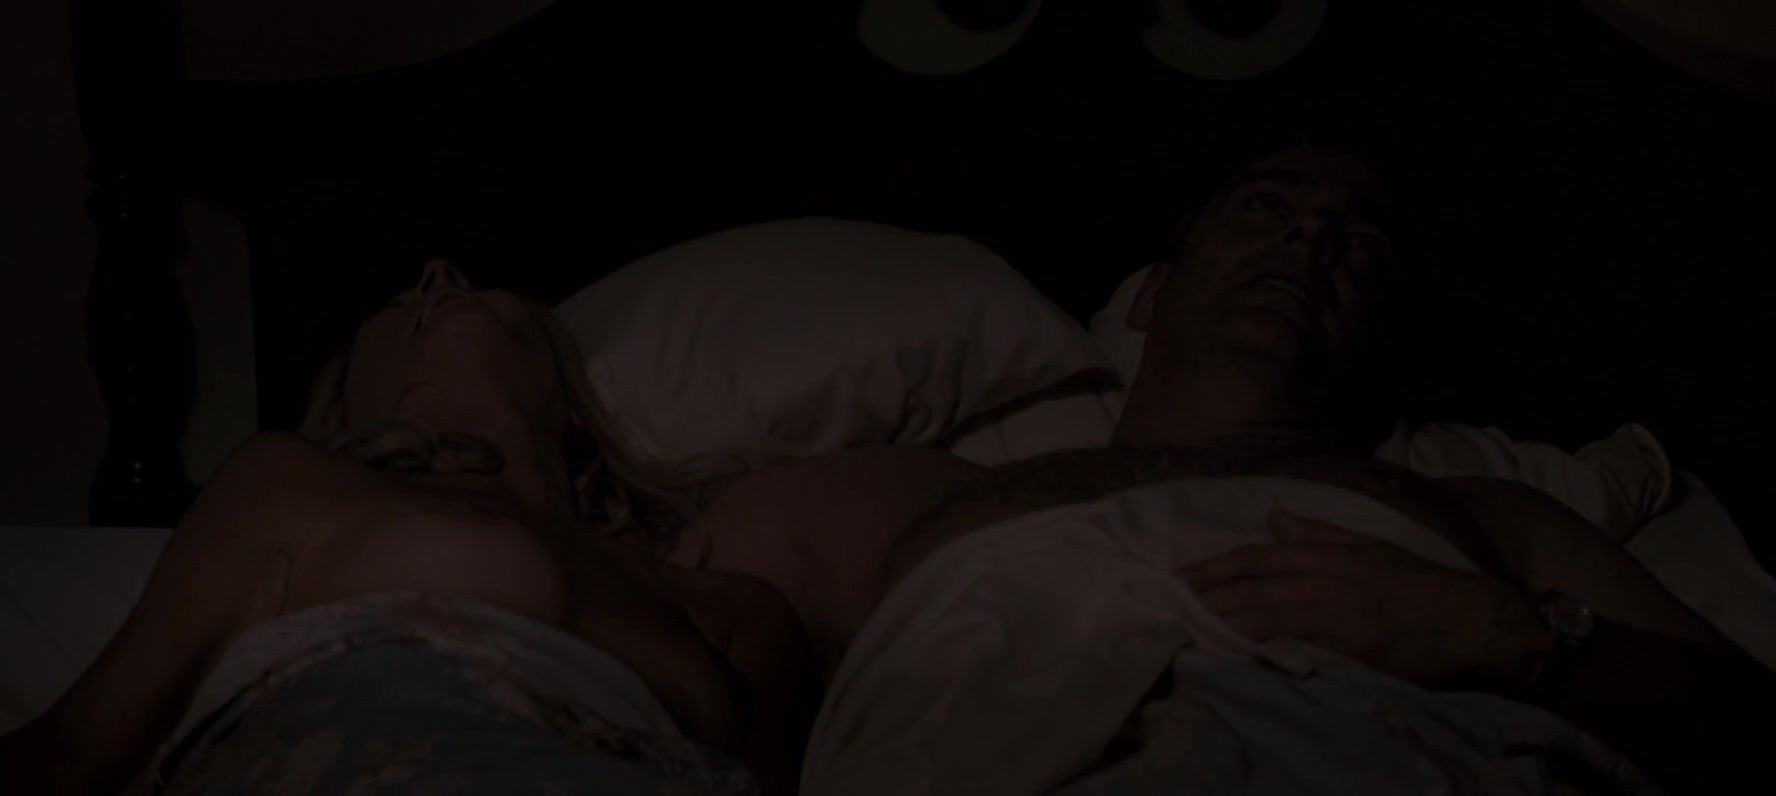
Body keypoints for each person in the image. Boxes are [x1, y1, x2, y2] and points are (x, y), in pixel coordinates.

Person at [869, 120, 1776, 791]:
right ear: (1151, 295)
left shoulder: (1487, 515)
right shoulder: (937, 498)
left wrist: (1507, 636)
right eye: (1267, 205)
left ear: (1378, 348)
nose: (1314, 236)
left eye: (1361, 243)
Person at [0, 261, 834, 794]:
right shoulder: (294, 481)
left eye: (490, 289)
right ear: (349, 408)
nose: (438, 271)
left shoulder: (728, 610)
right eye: (399, 304)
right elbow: (74, 752)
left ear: (570, 405)